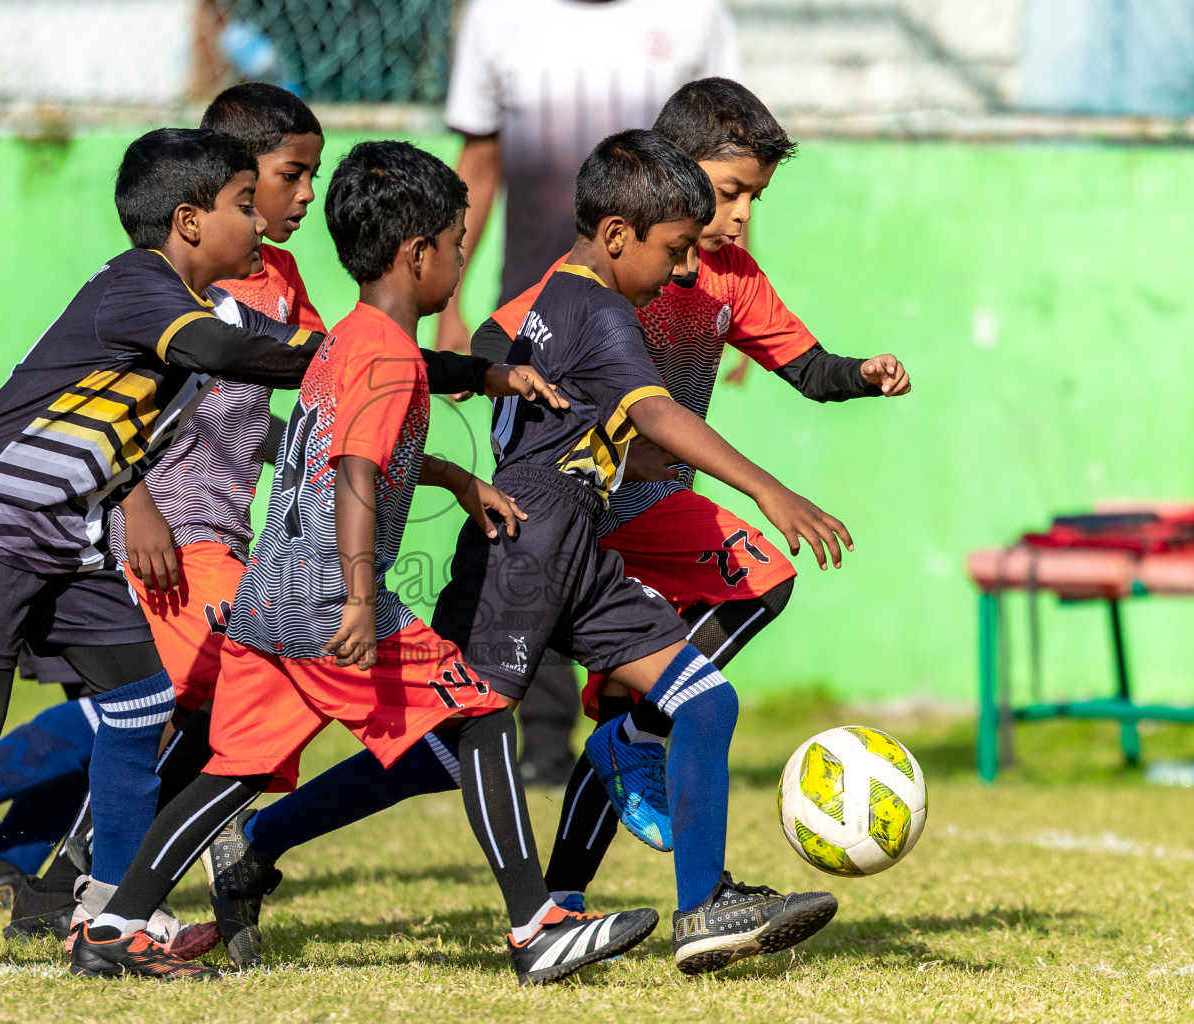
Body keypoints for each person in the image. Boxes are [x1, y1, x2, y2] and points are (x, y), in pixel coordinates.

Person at [202, 130, 845, 976]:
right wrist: (766, 488)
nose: (684, 271)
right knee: (453, 743)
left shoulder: (559, 296)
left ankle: (702, 911)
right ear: (616, 235)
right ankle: (259, 841)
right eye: (675, 251)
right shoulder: (601, 308)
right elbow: (653, 411)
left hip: (572, 540)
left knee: (702, 701)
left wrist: (610, 453)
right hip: (526, 548)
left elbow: (560, 414)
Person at [68, 140, 660, 986]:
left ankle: (115, 925)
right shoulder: (387, 355)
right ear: (417, 254)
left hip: (270, 595)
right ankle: (537, 925)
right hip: (328, 598)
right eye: (457, 244)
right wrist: (355, 597)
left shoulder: (347, 340)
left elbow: (354, 451)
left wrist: (456, 477)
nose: (462, 260)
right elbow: (354, 468)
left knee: (233, 770)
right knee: (482, 712)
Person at [0, 126, 333, 971]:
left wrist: (431, 370)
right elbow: (227, 354)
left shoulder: (208, 306)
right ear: (188, 220)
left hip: (70, 533)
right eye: (244, 205)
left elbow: (270, 364)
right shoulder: (138, 286)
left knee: (142, 702)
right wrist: (361, 359)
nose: (261, 222)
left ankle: (111, 915)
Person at [495, 77, 913, 912]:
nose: (743, 215)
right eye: (731, 192)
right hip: (577, 513)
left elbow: (807, 367)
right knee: (457, 736)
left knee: (668, 673)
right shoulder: (605, 278)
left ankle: (572, 888)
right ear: (673, 175)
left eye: (755, 197)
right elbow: (503, 344)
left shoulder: (730, 277)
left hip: (652, 513)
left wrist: (860, 374)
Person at [438, 0, 743, 783]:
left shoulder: (693, 16)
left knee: (581, 516)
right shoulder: (500, 17)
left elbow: (725, 172)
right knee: (468, 724)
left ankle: (613, 733)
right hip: (545, 312)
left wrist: (726, 291)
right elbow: (479, 160)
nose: (694, 262)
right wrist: (457, 306)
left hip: (616, 331)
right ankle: (547, 753)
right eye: (682, 251)